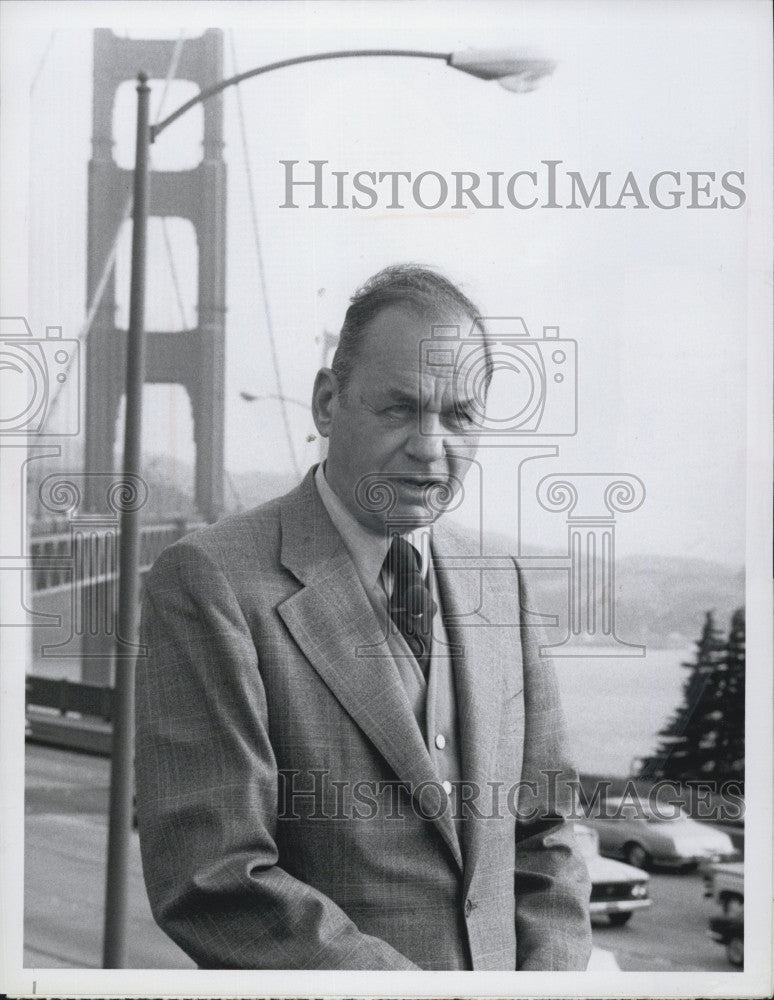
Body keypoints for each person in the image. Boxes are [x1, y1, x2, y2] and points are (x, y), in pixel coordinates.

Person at [135, 264, 592, 971]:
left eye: (460, 416)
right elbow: (215, 878)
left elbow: (548, 833)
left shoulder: (501, 586)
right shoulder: (210, 581)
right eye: (399, 408)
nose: (432, 445)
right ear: (326, 403)